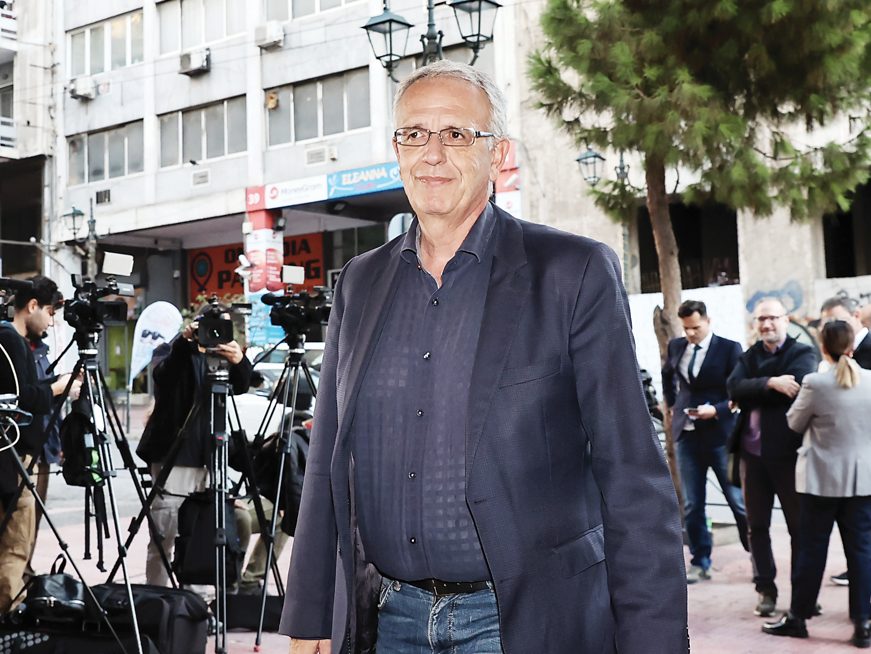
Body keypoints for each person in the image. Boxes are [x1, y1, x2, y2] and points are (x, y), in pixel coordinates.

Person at [279, 60, 688, 654]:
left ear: (498, 155)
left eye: (456, 133)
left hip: (523, 623)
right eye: (414, 134)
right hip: (387, 622)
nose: (432, 153)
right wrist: (311, 613)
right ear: (397, 151)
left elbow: (631, 473)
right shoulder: (359, 283)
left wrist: (653, 642)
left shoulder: (572, 272)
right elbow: (328, 460)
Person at [761, 320, 871, 648]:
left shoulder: (815, 383)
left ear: (823, 347)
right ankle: (863, 622)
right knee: (862, 552)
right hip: (862, 482)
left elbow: (794, 422)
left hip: (821, 481)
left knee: (811, 551)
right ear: (852, 346)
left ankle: (799, 618)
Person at [135, 306, 252, 586]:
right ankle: (159, 600)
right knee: (164, 536)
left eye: (223, 329)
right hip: (175, 458)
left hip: (210, 459)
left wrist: (240, 361)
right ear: (196, 326)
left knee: (204, 536)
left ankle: (196, 603)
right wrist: (185, 342)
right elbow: (164, 376)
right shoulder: (174, 351)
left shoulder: (224, 359)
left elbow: (242, 385)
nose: (216, 334)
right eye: (210, 327)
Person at [727, 298, 818, 618]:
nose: (766, 324)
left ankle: (804, 595)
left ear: (786, 320)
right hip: (752, 456)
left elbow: (799, 385)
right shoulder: (749, 355)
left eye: (772, 318)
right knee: (757, 527)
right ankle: (765, 589)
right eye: (761, 319)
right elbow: (733, 387)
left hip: (789, 455)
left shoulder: (802, 352)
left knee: (799, 528)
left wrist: (754, 388)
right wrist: (771, 382)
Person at [0, 276, 80, 613]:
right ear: (31, 306)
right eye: (49, 312)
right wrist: (59, 389)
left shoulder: (15, 340)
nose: (50, 321)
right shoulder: (10, 339)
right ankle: (9, 613)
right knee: (16, 540)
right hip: (15, 456)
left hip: (17, 453)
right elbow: (20, 399)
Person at [662, 299, 747, 584]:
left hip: (720, 435)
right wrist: (672, 405)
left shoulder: (729, 348)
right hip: (687, 434)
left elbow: (738, 391)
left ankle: (757, 553)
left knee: (737, 500)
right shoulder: (677, 346)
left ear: (708, 322)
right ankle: (700, 561)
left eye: (695, 327)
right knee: (692, 504)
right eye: (686, 328)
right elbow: (667, 374)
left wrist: (718, 410)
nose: (690, 333)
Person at [819, 295, 870, 588]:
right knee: (858, 530)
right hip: (848, 459)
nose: (832, 326)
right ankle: (858, 572)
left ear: (856, 315)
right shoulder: (832, 361)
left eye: (837, 319)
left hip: (864, 451)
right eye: (827, 322)